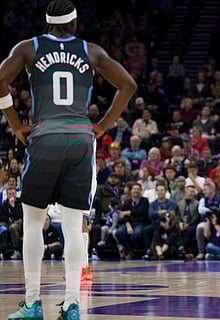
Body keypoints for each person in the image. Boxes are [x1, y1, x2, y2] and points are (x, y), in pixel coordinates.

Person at [0, 1, 137, 318]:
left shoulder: (28, 47)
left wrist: (14, 122)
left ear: (48, 24)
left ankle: (33, 304)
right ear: (75, 23)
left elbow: (0, 80)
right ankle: (73, 304)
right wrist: (103, 125)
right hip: (80, 140)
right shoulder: (92, 51)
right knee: (74, 227)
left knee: (33, 222)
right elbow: (128, 85)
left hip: (46, 136)